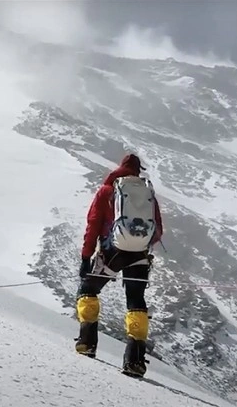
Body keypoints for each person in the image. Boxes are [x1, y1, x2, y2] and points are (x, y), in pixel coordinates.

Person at [74, 154, 164, 377]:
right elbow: (158, 231)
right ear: (137, 170)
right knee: (136, 303)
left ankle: (87, 344)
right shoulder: (147, 194)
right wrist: (138, 243)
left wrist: (86, 257)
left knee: (88, 290)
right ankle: (134, 361)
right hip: (139, 255)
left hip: (111, 252)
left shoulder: (107, 190)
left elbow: (93, 224)